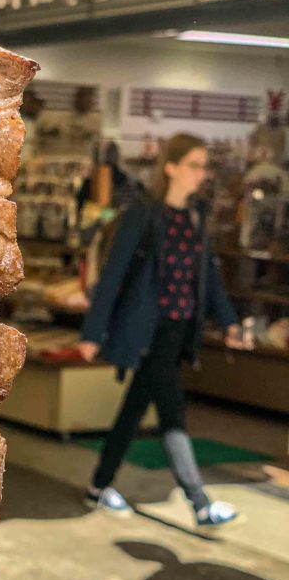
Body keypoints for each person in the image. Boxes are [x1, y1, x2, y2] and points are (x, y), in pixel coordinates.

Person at [79, 132, 246, 533]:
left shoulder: (195, 216)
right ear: (170, 167)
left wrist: (230, 322)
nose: (201, 174)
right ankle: (200, 503)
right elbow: (114, 274)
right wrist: (92, 332)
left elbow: (207, 277)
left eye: (204, 166)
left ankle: (99, 486)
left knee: (135, 407)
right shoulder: (143, 214)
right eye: (194, 164)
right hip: (146, 331)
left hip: (177, 331)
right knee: (172, 413)